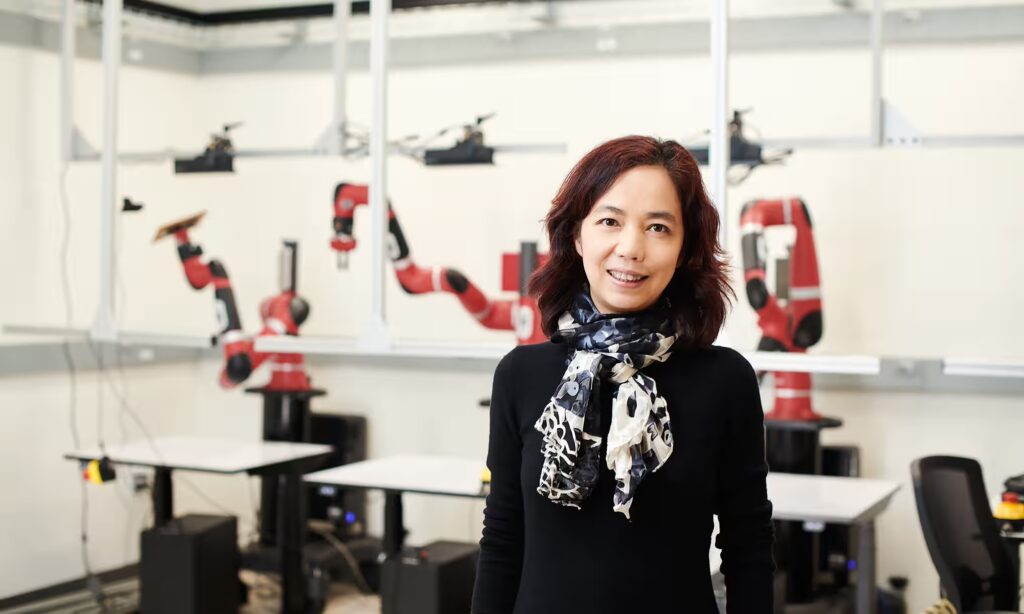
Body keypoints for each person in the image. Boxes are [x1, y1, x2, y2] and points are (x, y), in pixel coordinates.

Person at [471, 135, 775, 613]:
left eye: (658, 228)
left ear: (685, 249)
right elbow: (503, 540)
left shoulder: (725, 380)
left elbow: (749, 546)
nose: (630, 248)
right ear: (577, 235)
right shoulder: (521, 374)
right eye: (610, 221)